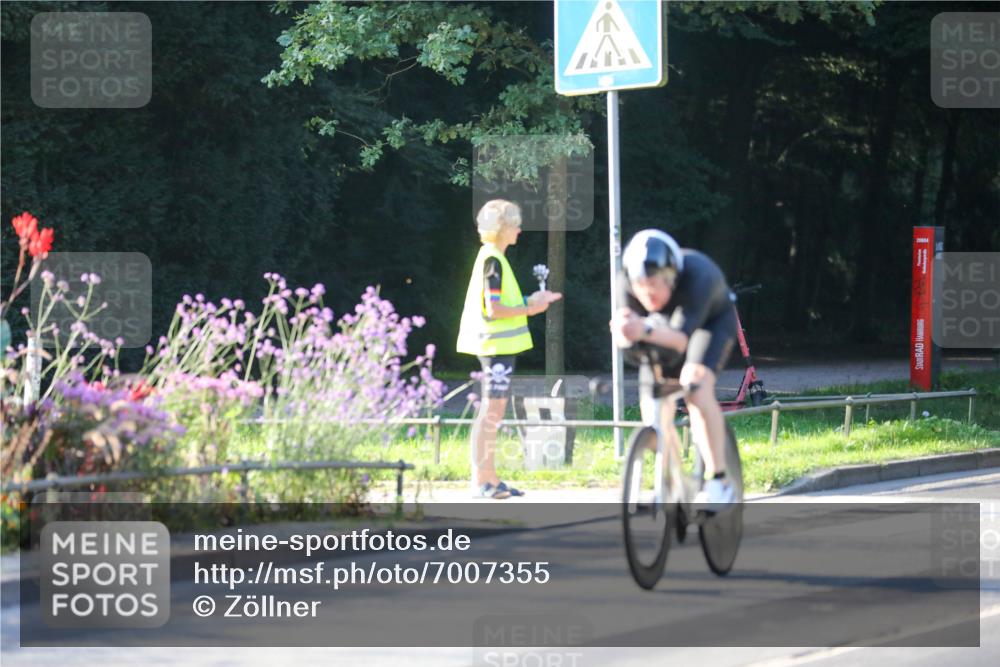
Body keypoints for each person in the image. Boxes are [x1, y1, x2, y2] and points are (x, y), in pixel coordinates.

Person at [610, 229, 738, 508]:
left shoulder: (697, 277)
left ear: (670, 278)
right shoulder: (625, 280)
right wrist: (622, 333)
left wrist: (641, 328)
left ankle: (719, 480)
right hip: (658, 331)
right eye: (641, 288)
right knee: (653, 412)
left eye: (655, 287)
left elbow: (680, 340)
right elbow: (625, 332)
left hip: (709, 325)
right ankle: (673, 481)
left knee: (696, 387)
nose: (647, 295)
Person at [456, 199, 562, 499]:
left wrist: (531, 302)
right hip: (495, 347)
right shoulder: (493, 260)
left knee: (493, 412)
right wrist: (530, 309)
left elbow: (499, 304)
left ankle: (489, 478)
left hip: (497, 347)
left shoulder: (492, 258)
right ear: (502, 229)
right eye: (515, 223)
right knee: (491, 412)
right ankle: (481, 481)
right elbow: (495, 308)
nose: (519, 229)